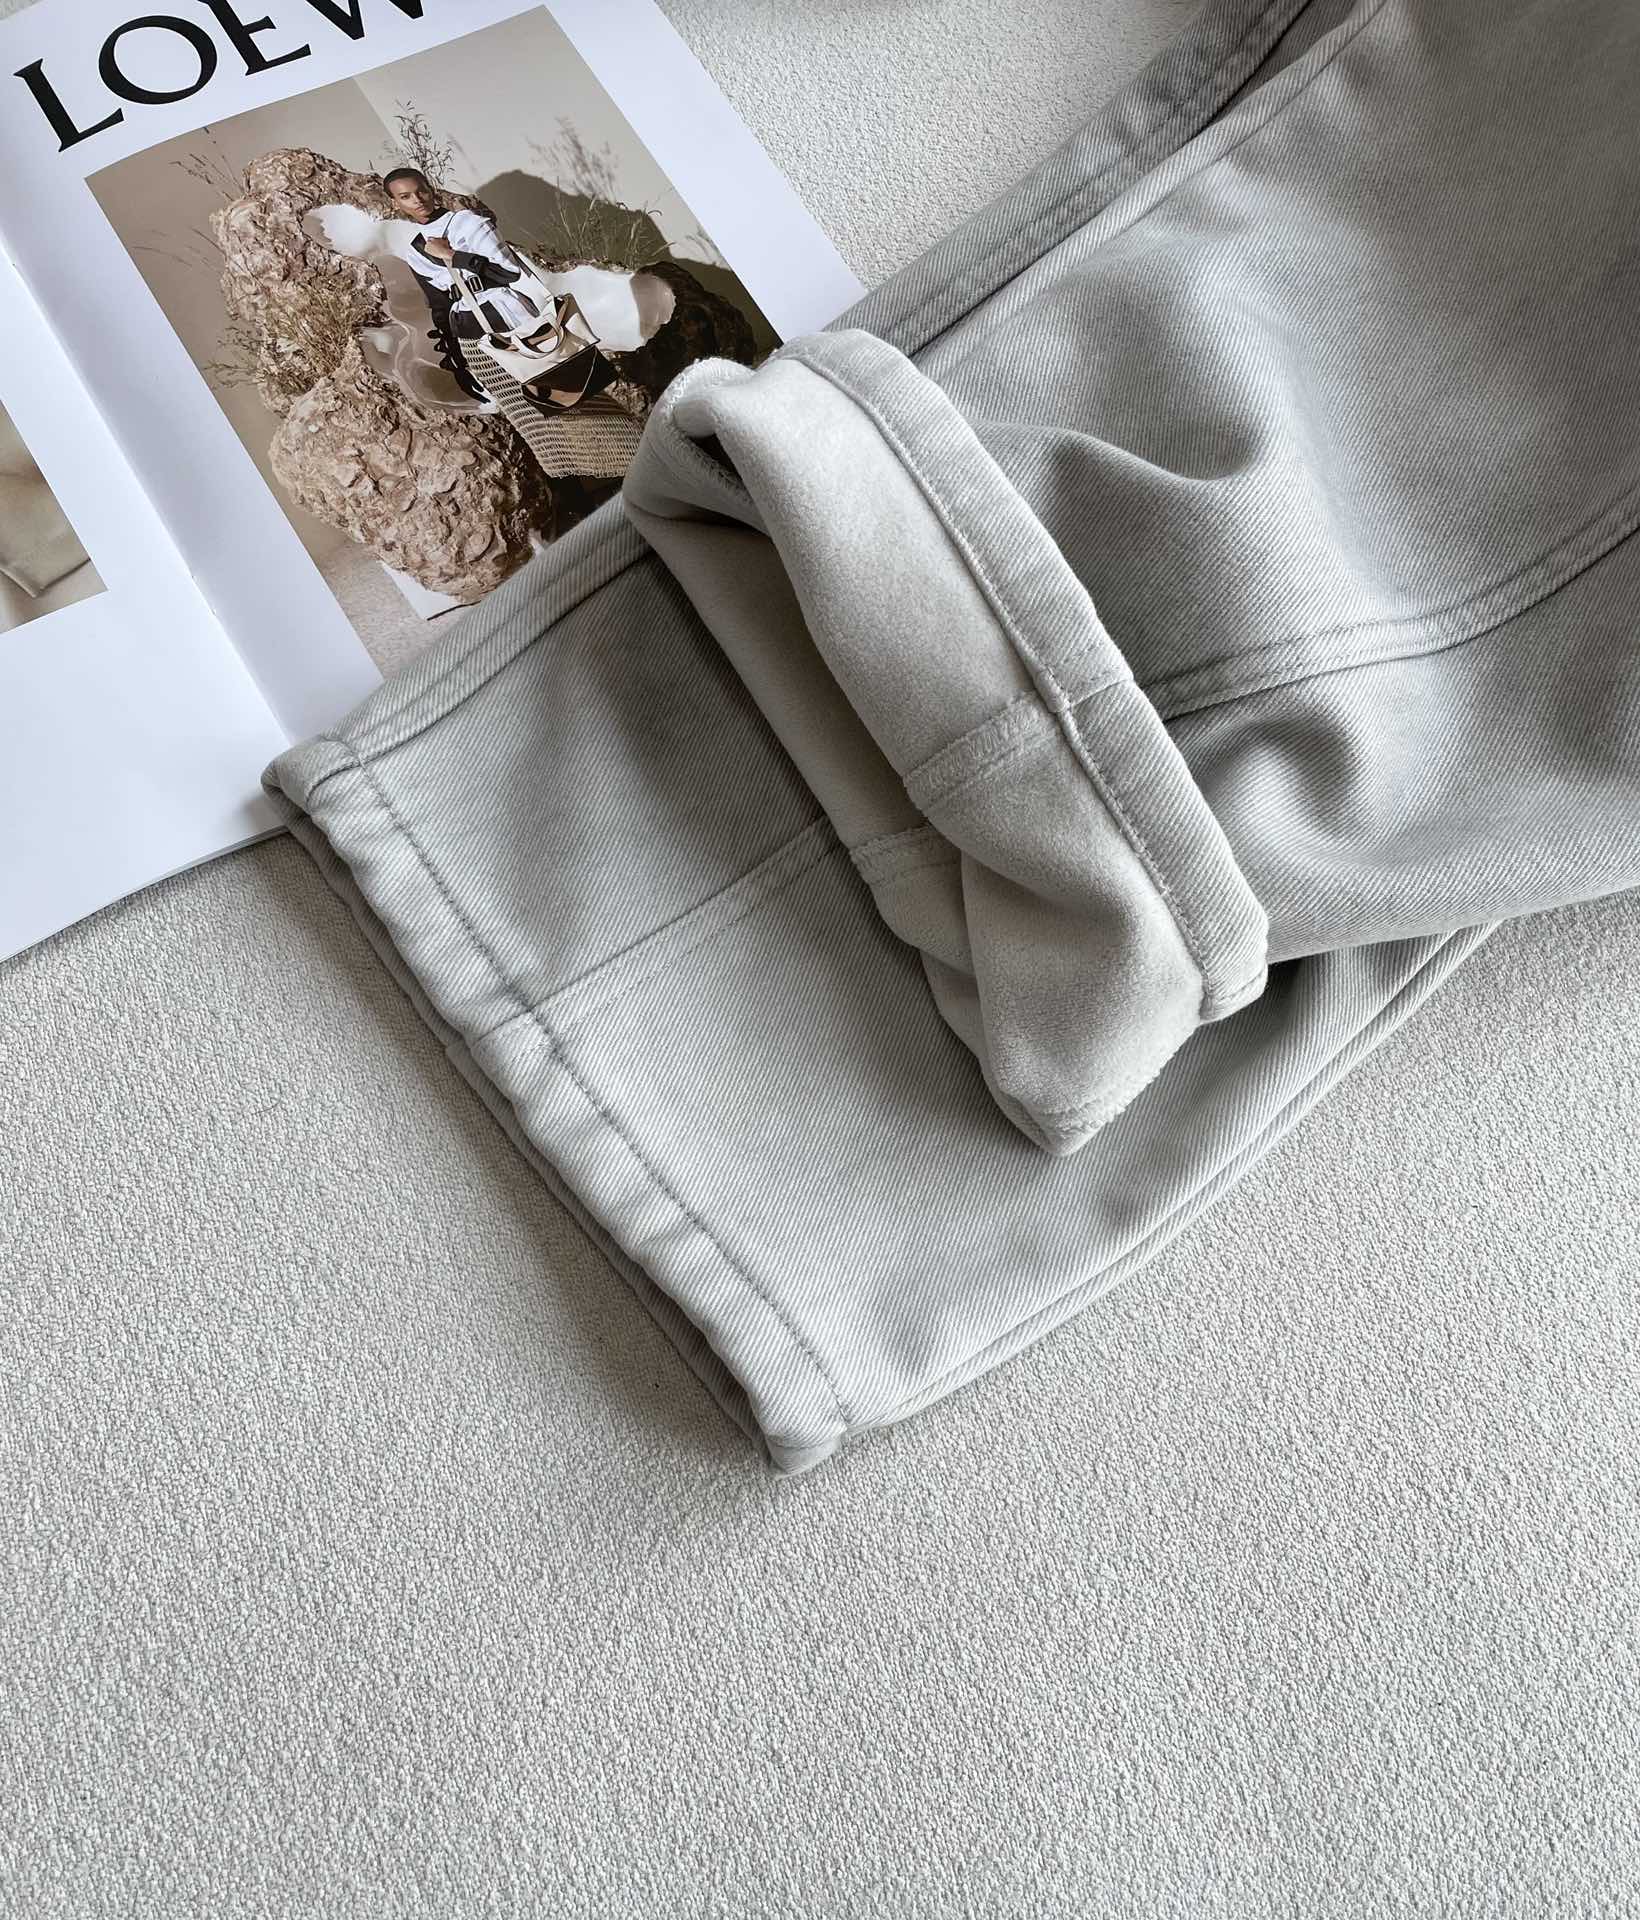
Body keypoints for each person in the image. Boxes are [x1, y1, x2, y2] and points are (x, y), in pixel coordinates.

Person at [383, 165, 545, 408]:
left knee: (554, 387)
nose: (417, 200)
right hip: (468, 330)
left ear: (431, 189)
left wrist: (451, 255)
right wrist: (457, 362)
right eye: (405, 196)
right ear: (395, 203)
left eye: (421, 191)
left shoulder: (469, 223)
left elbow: (508, 272)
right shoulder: (415, 251)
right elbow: (439, 306)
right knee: (517, 407)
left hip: (508, 314)